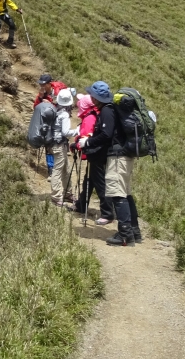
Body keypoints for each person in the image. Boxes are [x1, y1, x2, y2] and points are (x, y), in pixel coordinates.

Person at [77, 81, 141, 246]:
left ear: (96, 97)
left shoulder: (107, 110)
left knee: (118, 195)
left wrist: (88, 142)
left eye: (92, 95)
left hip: (117, 157)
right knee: (126, 193)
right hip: (125, 155)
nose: (90, 97)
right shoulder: (113, 108)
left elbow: (106, 134)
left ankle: (125, 235)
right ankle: (134, 232)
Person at [72, 92, 114, 223]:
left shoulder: (92, 117)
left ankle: (107, 213)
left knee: (100, 183)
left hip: (97, 153)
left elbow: (94, 136)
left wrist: (83, 144)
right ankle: (81, 205)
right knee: (89, 181)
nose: (78, 105)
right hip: (96, 153)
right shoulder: (96, 114)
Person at [46, 87, 78, 207]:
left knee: (66, 168)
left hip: (56, 143)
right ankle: (56, 196)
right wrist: (77, 131)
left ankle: (67, 193)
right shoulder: (64, 114)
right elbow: (66, 132)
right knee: (58, 169)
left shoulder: (56, 109)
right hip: (59, 144)